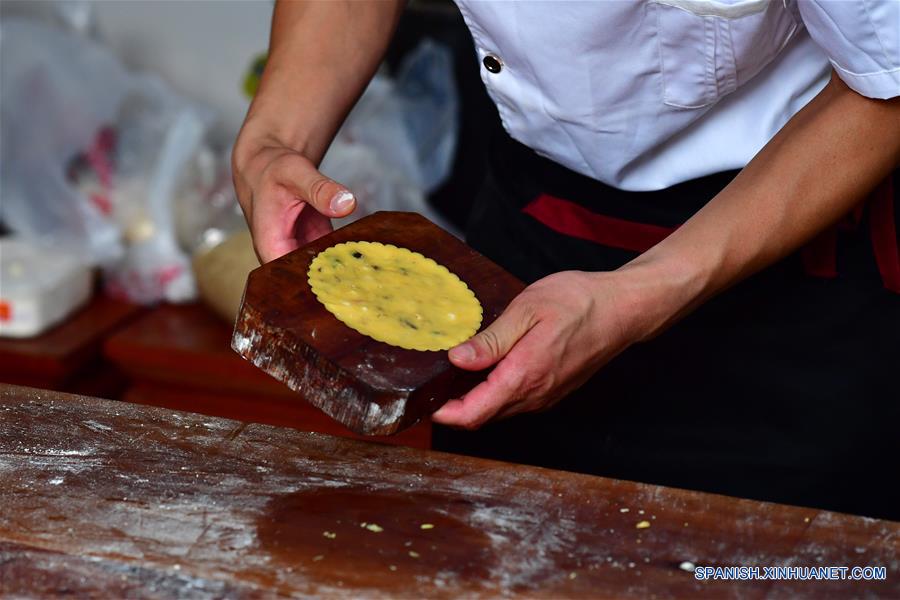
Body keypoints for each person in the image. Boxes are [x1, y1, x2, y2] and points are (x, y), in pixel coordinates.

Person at [233, 1, 900, 520]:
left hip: (789, 267)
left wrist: (643, 292)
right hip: (527, 245)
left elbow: (888, 82)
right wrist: (273, 140)